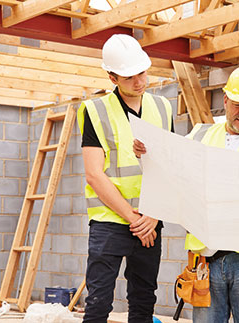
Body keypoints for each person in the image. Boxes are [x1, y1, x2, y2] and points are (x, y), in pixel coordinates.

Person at [136, 65, 239, 323]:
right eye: (238, 104)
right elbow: (172, 173)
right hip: (206, 259)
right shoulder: (200, 135)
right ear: (225, 100)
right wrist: (148, 156)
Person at [78, 34, 174, 323]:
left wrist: (153, 217)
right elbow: (94, 174)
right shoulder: (95, 111)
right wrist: (135, 220)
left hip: (150, 220)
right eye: (129, 76)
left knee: (144, 302)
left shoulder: (163, 108)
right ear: (112, 77)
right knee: (98, 304)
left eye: (142, 73)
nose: (139, 82)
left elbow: (170, 167)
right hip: (111, 221)